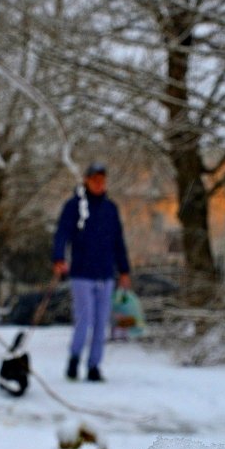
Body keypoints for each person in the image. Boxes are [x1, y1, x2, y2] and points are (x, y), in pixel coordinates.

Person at [52, 162, 131, 382]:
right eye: (95, 179)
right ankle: (75, 358)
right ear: (86, 180)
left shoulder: (110, 209)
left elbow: (118, 242)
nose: (99, 184)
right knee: (84, 319)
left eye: (102, 180)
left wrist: (124, 270)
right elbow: (62, 234)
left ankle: (94, 365)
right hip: (82, 273)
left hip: (105, 273)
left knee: (101, 322)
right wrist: (58, 258)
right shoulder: (74, 206)